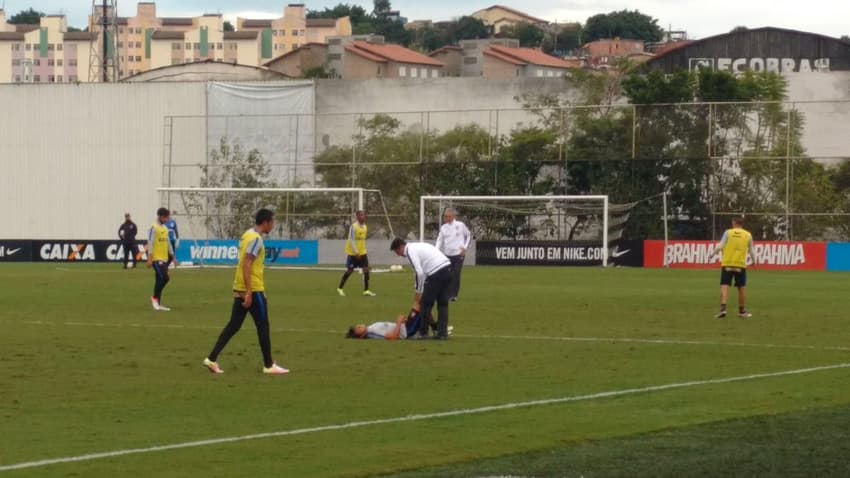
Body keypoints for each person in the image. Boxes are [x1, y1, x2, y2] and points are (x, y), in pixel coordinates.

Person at [202, 209, 289, 375]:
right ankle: (269, 365)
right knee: (263, 325)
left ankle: (211, 359)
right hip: (253, 289)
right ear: (265, 222)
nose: (273, 225)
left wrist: (241, 290)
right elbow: (247, 264)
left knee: (233, 325)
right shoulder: (256, 239)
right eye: (272, 221)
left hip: (239, 286)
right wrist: (249, 292)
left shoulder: (246, 235)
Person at [390, 238, 453, 340]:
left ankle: (423, 333)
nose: (398, 255)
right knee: (442, 304)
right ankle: (442, 333)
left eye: (397, 252)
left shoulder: (409, 251)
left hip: (436, 272)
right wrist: (418, 287)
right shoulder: (416, 246)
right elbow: (421, 273)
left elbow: (419, 272)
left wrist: (418, 292)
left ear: (401, 247)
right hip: (448, 268)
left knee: (425, 304)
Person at [712, 216, 757, 319]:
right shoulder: (747, 235)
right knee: (741, 288)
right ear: (742, 224)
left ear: (734, 223)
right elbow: (751, 250)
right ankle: (741, 311)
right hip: (740, 265)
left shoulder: (728, 232)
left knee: (724, 285)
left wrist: (713, 254)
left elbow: (720, 246)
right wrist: (754, 262)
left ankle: (723, 309)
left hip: (727, 263)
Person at [337, 210, 376, 297]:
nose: (363, 216)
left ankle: (366, 290)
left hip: (362, 252)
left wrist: (363, 251)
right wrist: (356, 252)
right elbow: (351, 240)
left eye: (364, 215)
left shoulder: (365, 227)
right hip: (353, 253)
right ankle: (340, 288)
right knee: (350, 270)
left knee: (366, 270)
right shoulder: (353, 227)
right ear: (358, 217)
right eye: (361, 215)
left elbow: (362, 241)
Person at [435, 207, 471, 301]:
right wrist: (436, 251)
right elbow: (439, 240)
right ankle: (446, 293)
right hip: (447, 255)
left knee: (456, 274)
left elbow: (468, 235)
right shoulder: (443, 228)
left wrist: (465, 248)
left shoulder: (460, 225)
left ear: (453, 216)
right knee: (447, 275)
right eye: (445, 216)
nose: (447, 218)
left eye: (448, 216)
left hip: (459, 254)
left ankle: (453, 295)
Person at [146, 208, 175, 311]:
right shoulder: (153, 228)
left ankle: (157, 303)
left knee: (159, 279)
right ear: (161, 216)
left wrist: (173, 257)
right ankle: (154, 297)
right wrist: (149, 258)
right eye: (166, 217)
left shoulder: (165, 228)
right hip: (156, 258)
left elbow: (168, 243)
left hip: (164, 258)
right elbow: (150, 242)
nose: (167, 219)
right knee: (165, 278)